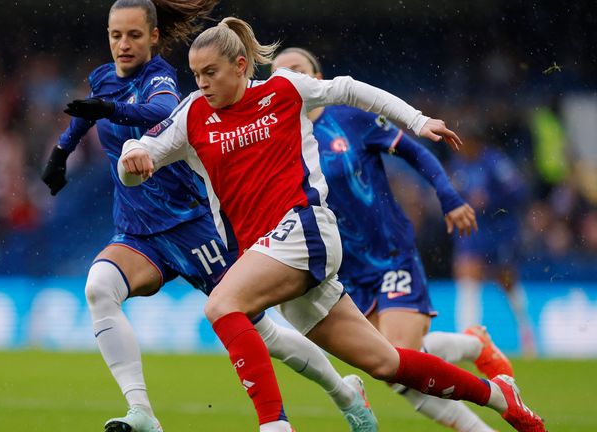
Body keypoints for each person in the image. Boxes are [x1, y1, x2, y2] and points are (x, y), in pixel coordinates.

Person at [118, 17, 546, 432]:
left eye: (211, 72)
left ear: (241, 66)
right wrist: (130, 160)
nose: (202, 83)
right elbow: (141, 155)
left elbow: (349, 89)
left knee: (221, 305)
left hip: (305, 230)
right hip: (265, 252)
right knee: (388, 363)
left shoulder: (284, 88)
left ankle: (275, 424)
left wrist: (418, 121)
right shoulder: (193, 114)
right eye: (196, 75)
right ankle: (499, 396)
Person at [42, 2, 376, 431]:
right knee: (99, 288)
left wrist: (110, 112)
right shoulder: (104, 78)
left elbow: (159, 113)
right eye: (115, 35)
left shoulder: (160, 79)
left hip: (193, 225)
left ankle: (344, 393)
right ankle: (142, 413)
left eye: (134, 36)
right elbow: (85, 111)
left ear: (155, 37)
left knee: (262, 332)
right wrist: (60, 153)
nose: (123, 45)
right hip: (140, 231)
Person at [272, 47, 518, 432]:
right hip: (343, 270)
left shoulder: (350, 117)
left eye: (296, 70)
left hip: (389, 254)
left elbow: (413, 152)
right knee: (391, 365)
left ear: (316, 79)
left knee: (400, 358)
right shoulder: (277, 142)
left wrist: (448, 195)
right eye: (278, 74)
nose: (287, 78)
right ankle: (474, 345)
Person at [448, 117, 537, 356]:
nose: (462, 147)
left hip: (499, 231)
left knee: (507, 280)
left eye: (466, 142)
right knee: (467, 274)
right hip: (471, 230)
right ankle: (465, 340)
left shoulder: (495, 162)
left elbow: (519, 192)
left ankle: (526, 330)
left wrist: (491, 200)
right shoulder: (458, 164)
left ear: (477, 142)